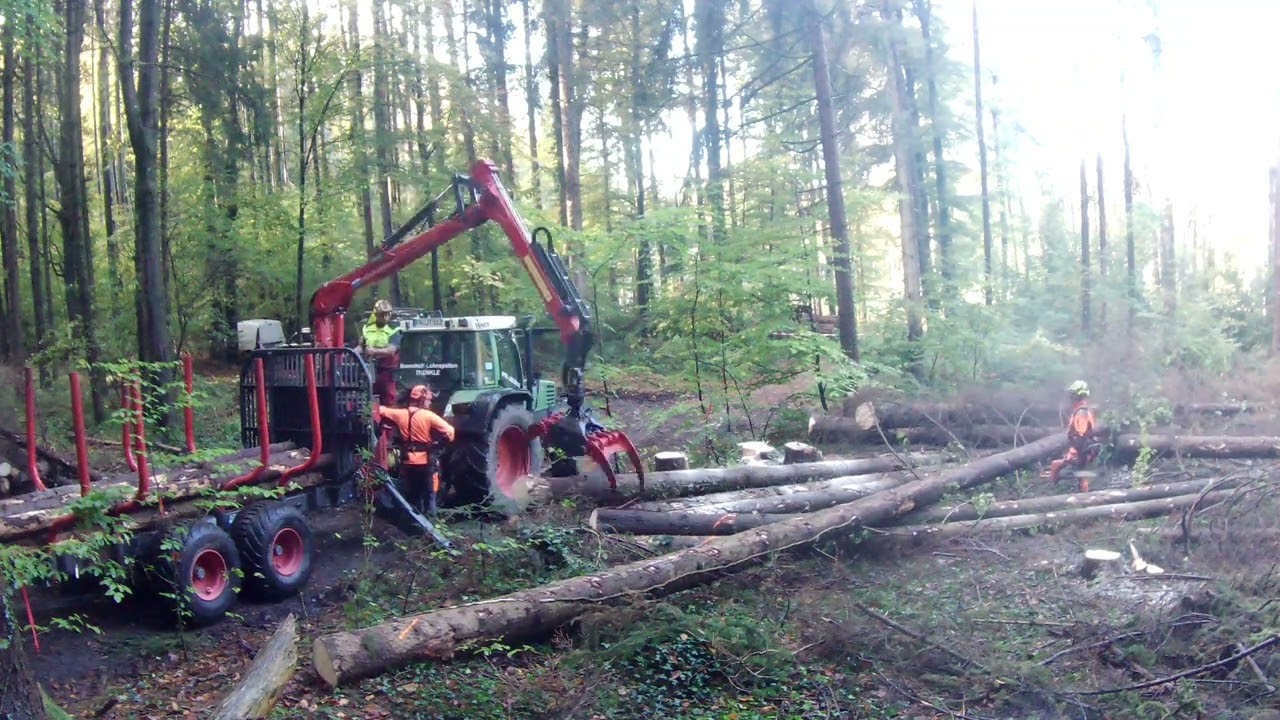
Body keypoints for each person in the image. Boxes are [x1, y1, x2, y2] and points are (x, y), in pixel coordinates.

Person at [378, 385, 455, 514]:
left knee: (411, 496)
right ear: (422, 400)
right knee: (429, 495)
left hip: (407, 463)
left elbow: (380, 410)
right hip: (426, 464)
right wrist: (438, 445)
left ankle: (412, 521)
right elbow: (450, 431)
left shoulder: (400, 414)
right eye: (428, 400)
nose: (429, 403)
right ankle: (429, 520)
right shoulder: (428, 416)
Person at [1044, 380, 1099, 492]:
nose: (1070, 398)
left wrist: (1073, 454)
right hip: (1085, 450)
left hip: (1081, 451)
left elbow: (1080, 437)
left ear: (1075, 396)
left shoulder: (1081, 413)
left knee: (1056, 466)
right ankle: (1082, 494)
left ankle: (1053, 491)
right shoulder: (1083, 410)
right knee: (1081, 476)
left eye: (1072, 395)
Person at [361, 299, 401, 405]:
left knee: (389, 398)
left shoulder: (394, 329)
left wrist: (374, 351)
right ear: (376, 314)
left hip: (387, 372)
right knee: (368, 399)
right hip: (370, 371)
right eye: (382, 315)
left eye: (387, 314)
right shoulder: (368, 328)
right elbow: (361, 346)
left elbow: (391, 350)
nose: (385, 317)